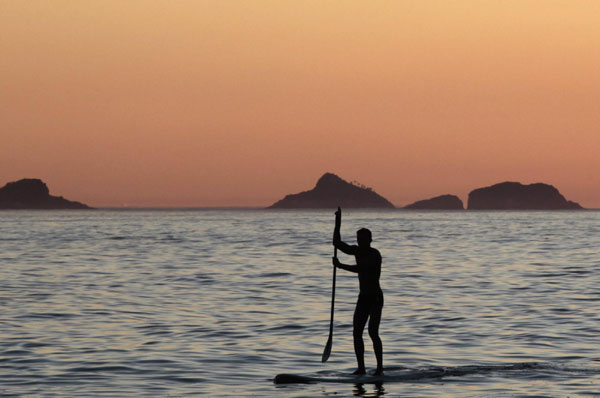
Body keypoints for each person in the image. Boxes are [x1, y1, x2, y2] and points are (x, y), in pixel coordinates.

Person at [332, 207, 384, 375]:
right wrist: (338, 222)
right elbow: (337, 243)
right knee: (356, 332)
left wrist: (341, 266)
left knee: (372, 332)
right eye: (358, 240)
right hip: (363, 297)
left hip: (375, 297)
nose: (360, 242)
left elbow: (361, 269)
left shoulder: (374, 254)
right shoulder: (357, 250)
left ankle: (379, 369)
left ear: (370, 240)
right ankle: (361, 368)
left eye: (363, 240)